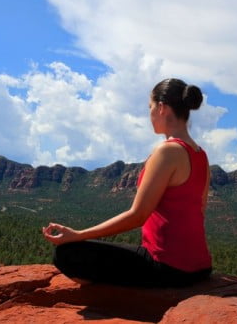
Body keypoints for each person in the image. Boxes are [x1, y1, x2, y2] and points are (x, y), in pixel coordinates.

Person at [42, 78, 212, 287]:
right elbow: (200, 210)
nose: (149, 114)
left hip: (167, 266)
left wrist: (79, 235)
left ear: (161, 108)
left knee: (66, 253)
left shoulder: (167, 151)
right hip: (201, 268)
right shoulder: (200, 154)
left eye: (150, 107)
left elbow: (137, 216)